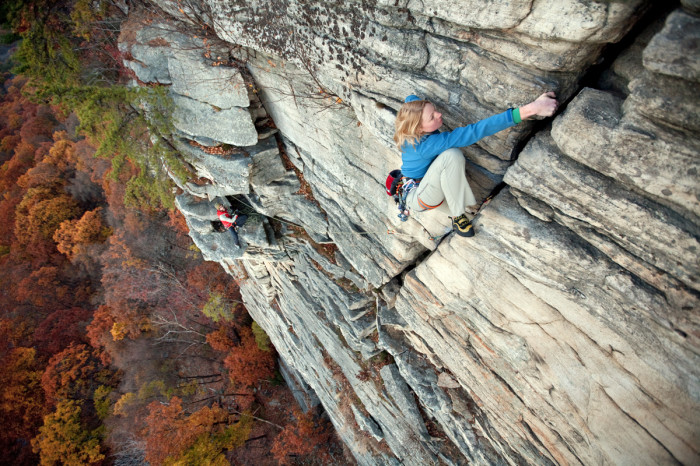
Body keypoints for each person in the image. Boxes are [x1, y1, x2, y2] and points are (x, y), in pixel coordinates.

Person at [393, 92, 558, 236]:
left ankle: (455, 211)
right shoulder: (428, 145)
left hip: (423, 184)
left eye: (434, 109)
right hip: (420, 196)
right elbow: (475, 131)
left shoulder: (410, 123)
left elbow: (410, 99)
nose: (439, 114)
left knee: (447, 165)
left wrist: (415, 104)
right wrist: (531, 109)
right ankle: (457, 215)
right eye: (432, 117)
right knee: (451, 155)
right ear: (419, 130)